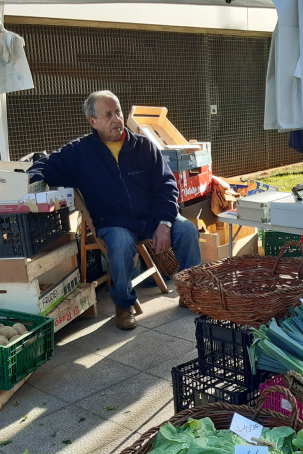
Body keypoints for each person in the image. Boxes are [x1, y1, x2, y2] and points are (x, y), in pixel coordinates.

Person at [28, 90, 201, 330]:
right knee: (119, 244)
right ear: (93, 121)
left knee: (187, 230)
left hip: (152, 217)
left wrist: (164, 222)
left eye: (118, 112)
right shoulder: (80, 152)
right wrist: (28, 179)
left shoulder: (143, 147)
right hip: (114, 221)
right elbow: (45, 166)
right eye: (107, 115)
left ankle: (190, 292)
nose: (116, 119)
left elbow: (167, 186)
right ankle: (124, 305)